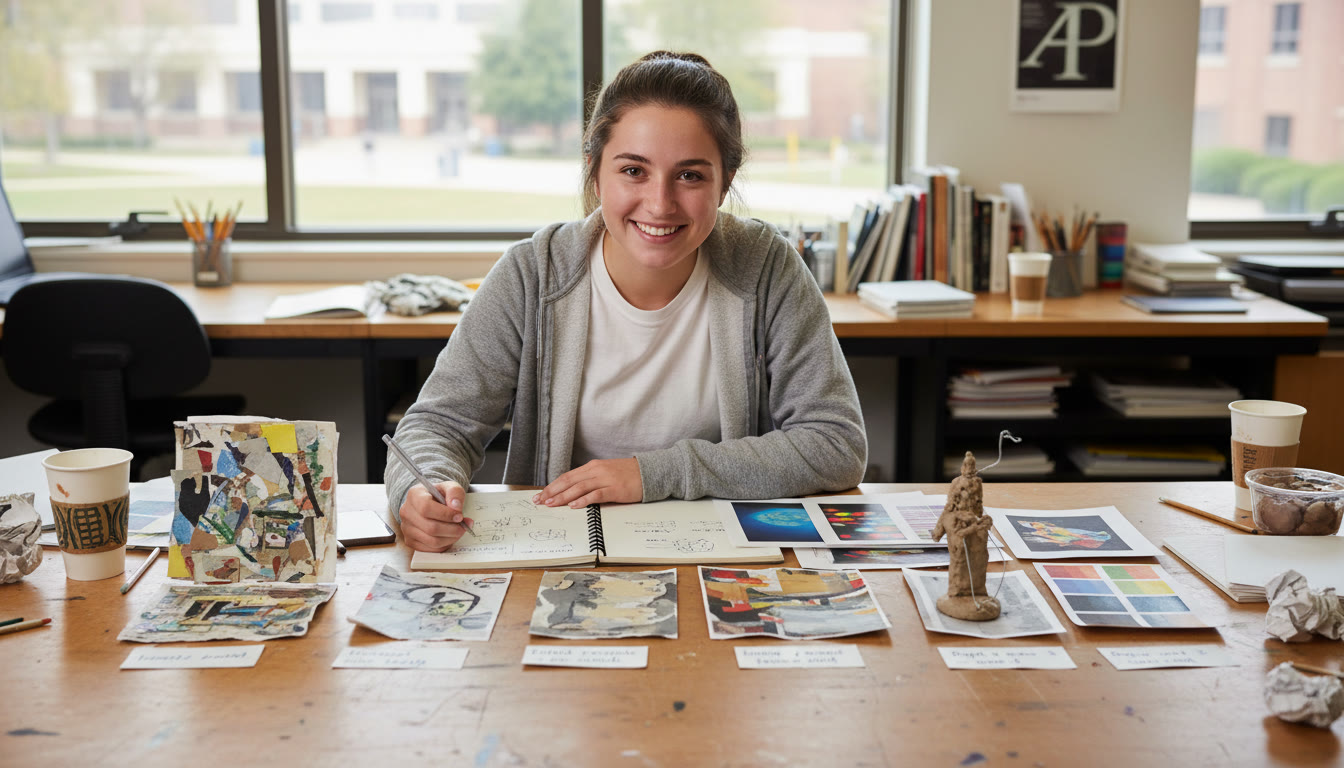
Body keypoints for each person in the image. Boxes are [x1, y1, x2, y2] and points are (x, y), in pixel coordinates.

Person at [387, 51, 867, 553]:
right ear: (596, 173)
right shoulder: (532, 273)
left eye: (690, 176)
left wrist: (650, 474)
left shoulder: (766, 267)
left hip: (719, 559)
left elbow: (835, 443)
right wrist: (419, 489)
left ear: (724, 183)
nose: (660, 204)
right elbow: (438, 425)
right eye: (634, 170)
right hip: (561, 552)